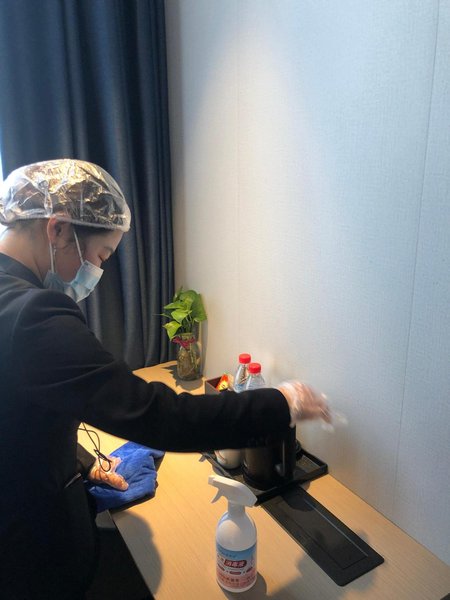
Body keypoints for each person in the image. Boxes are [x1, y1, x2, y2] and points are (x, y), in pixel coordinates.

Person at [0, 159, 329, 599]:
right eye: (100, 256)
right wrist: (282, 403)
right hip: (28, 549)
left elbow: (18, 411)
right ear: (58, 229)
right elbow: (156, 415)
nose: (96, 272)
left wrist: (79, 459)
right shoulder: (31, 315)